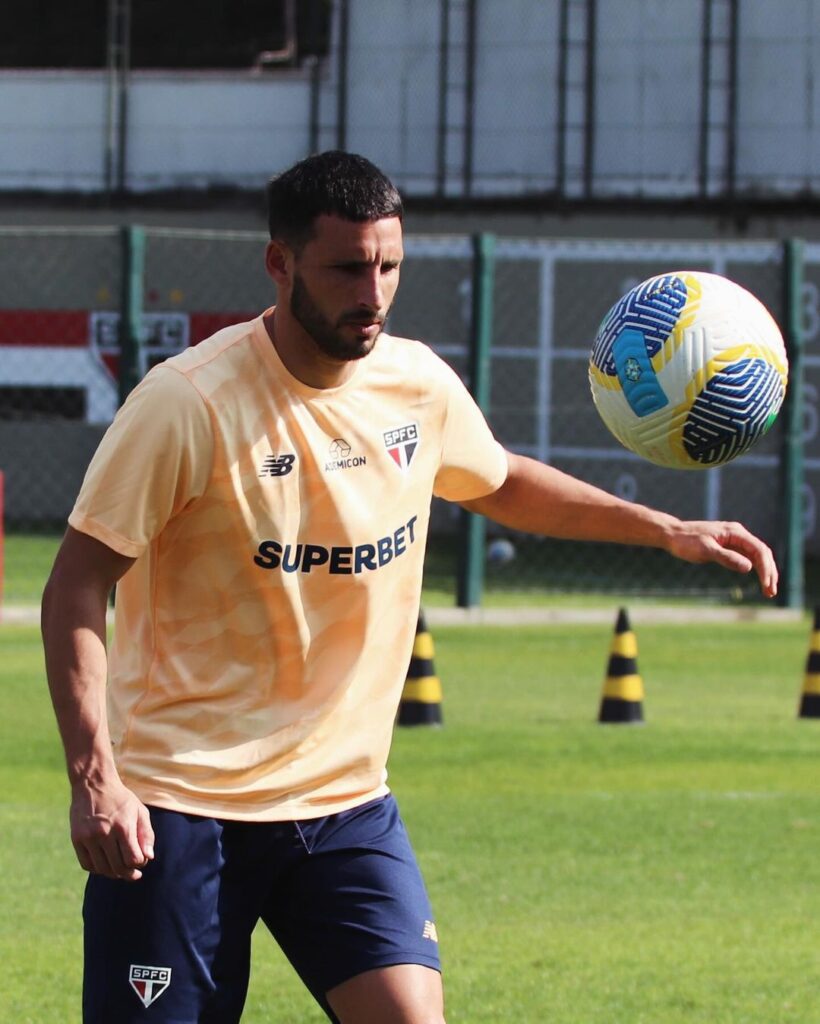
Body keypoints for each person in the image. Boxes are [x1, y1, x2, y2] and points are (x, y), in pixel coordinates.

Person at [41, 150, 778, 1024]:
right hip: (181, 803)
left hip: (345, 802)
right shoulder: (187, 404)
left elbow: (497, 479)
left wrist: (662, 530)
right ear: (280, 264)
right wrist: (97, 778)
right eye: (348, 266)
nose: (374, 292)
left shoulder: (416, 382)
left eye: (389, 265)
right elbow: (76, 588)